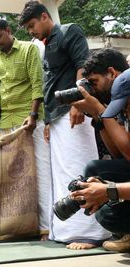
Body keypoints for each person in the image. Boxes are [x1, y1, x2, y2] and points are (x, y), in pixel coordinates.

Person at [19, 1, 111, 249]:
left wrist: (76, 103)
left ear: (44, 16)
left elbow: (83, 66)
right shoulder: (45, 46)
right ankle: (67, 229)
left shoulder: (70, 31)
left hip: (75, 112)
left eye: (32, 25)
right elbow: (51, 82)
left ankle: (90, 232)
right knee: (61, 173)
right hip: (56, 117)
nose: (31, 31)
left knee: (80, 166)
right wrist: (48, 120)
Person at [0, 19, 51, 240]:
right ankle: (15, 227)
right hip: (6, 124)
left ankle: (46, 227)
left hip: (31, 121)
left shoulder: (29, 49)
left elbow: (37, 84)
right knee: (11, 177)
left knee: (39, 173)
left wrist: (32, 116)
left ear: (9, 31)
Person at [69, 50, 130, 252]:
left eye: (94, 81)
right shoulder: (121, 97)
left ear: (112, 72)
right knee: (97, 174)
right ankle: (124, 234)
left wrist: (109, 190)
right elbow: (118, 154)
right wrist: (98, 115)